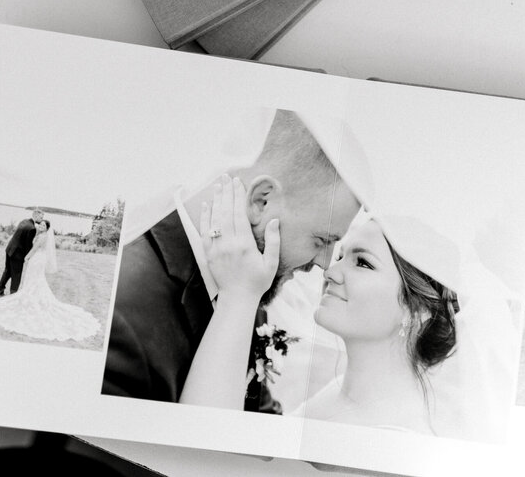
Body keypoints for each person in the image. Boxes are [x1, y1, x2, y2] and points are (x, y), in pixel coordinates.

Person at [101, 110, 361, 410]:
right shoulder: (122, 316)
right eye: (322, 240)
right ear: (261, 201)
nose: (326, 264)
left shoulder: (245, 280)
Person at [179, 178, 460, 435]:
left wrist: (238, 294)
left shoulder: (392, 437)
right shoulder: (335, 395)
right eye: (339, 255)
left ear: (418, 311)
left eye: (362, 263)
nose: (329, 271)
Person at [0, 220, 100, 341]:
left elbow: (35, 249)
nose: (42, 226)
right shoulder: (39, 234)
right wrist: (36, 230)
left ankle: (33, 297)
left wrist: (26, 257)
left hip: (37, 259)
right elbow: (34, 239)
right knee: (33, 279)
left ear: (47, 228)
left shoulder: (43, 237)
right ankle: (30, 295)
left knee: (35, 279)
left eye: (44, 225)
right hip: (37, 258)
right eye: (41, 224)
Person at [0, 209, 43, 295]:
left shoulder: (24, 221)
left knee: (7, 271)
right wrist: (28, 257)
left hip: (9, 249)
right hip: (17, 254)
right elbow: (28, 246)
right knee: (16, 275)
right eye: (41, 217)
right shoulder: (32, 228)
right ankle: (13, 295)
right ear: (35, 216)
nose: (42, 219)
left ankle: (0, 290)